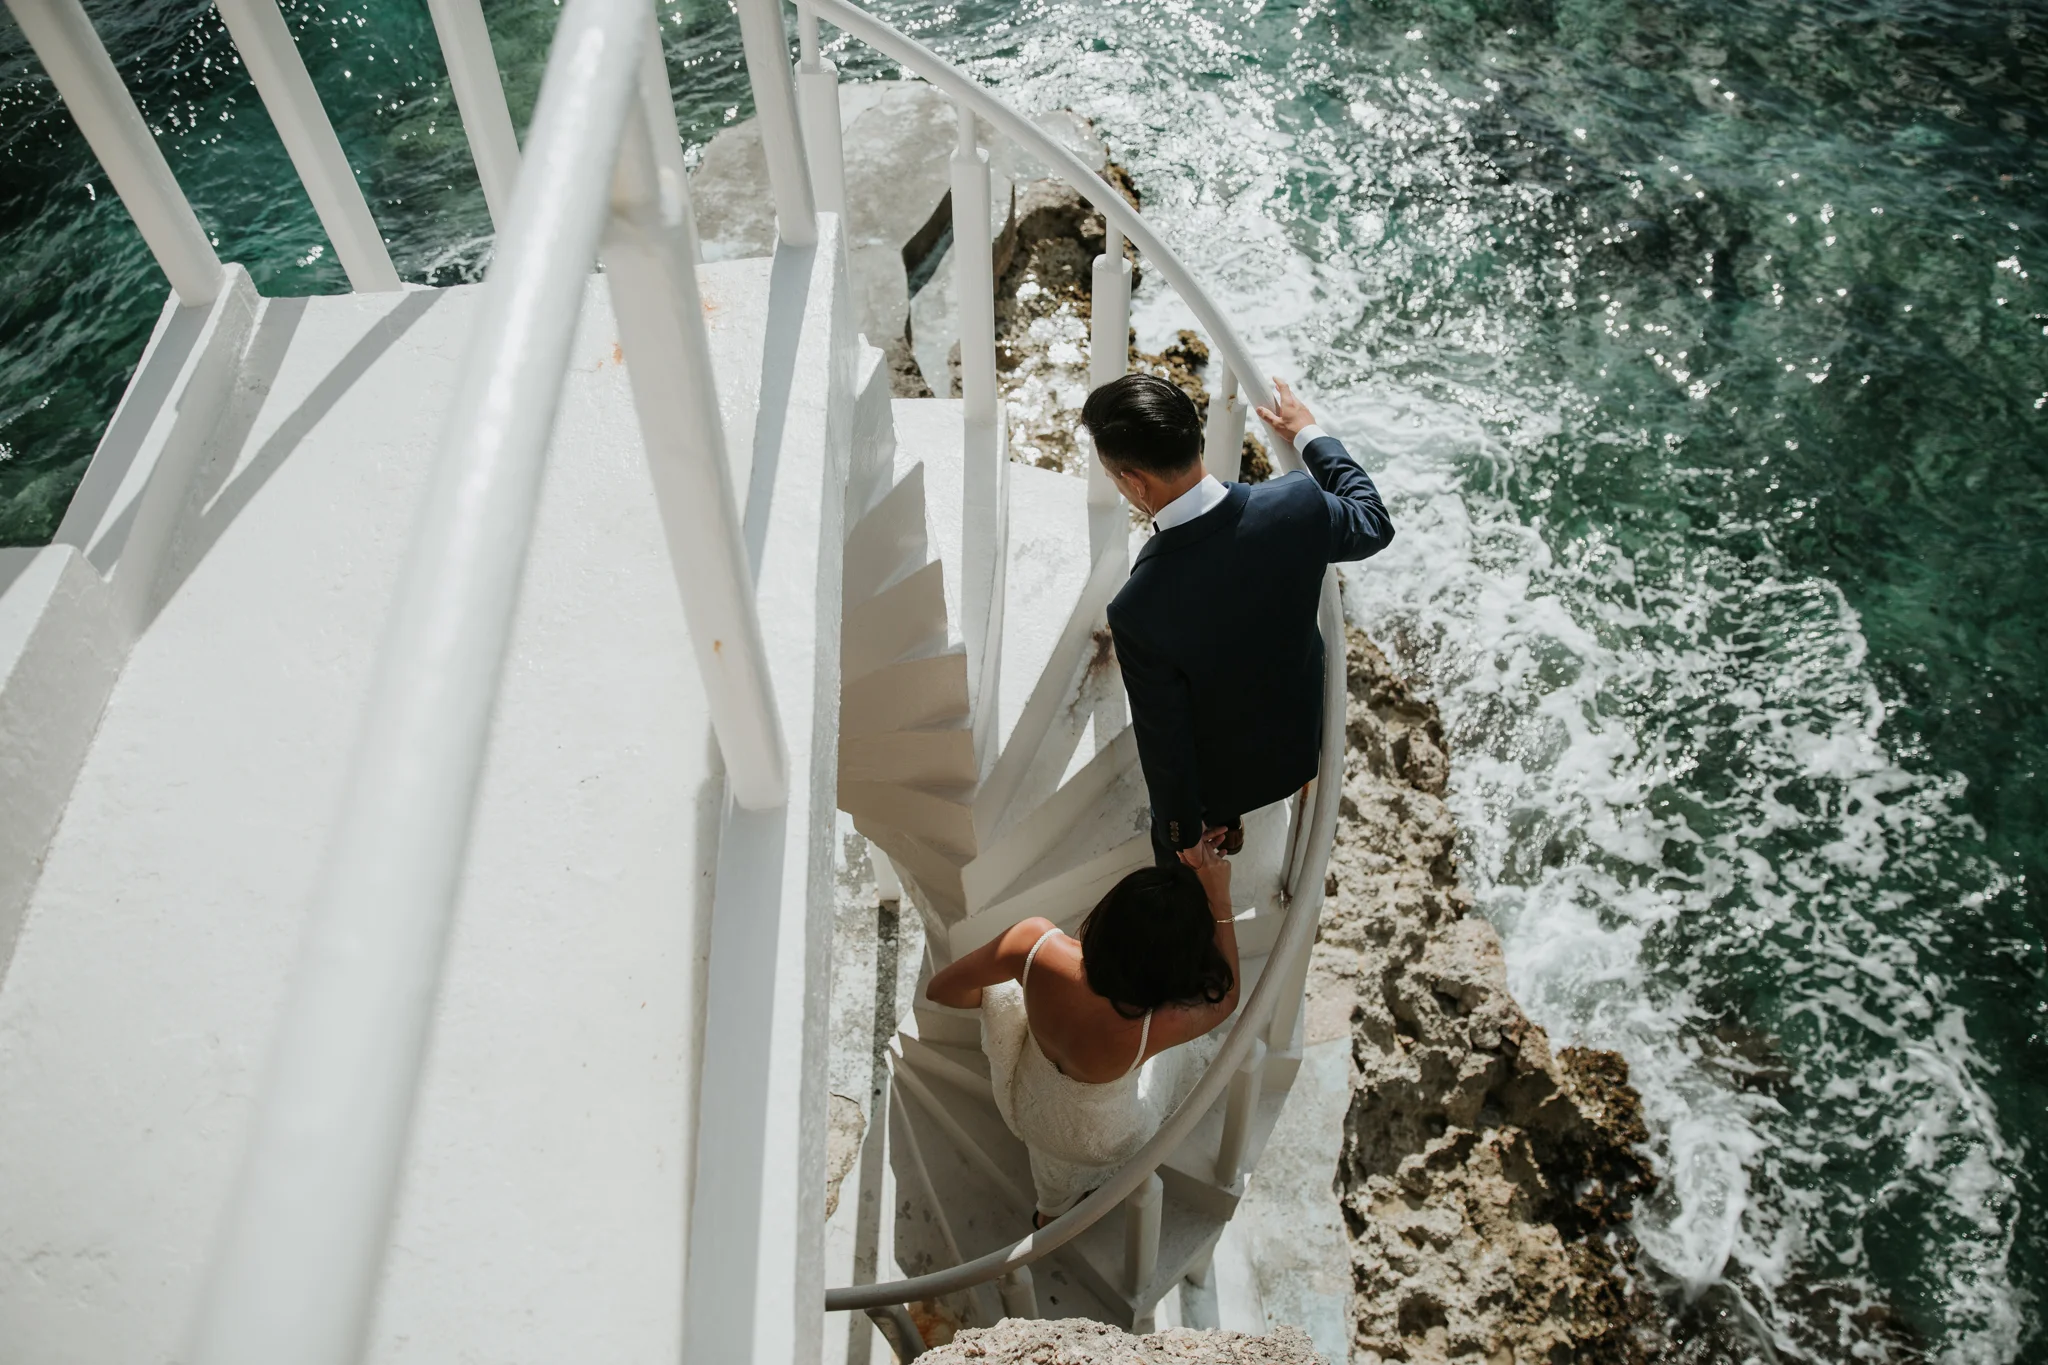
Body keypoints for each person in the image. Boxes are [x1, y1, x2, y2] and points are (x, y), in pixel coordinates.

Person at [1080, 373, 1394, 867]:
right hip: (1298, 744)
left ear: (1135, 483)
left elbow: (1167, 745)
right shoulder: (1296, 505)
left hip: (1223, 782)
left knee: (1176, 846)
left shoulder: (1139, 607)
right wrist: (1308, 434)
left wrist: (1182, 832)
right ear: (1195, 438)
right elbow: (1374, 523)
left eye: (1113, 475)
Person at [925, 842, 1240, 1226]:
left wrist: (1001, 1002)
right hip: (1104, 1138)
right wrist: (1220, 901)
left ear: (1109, 912)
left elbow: (941, 990)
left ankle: (1049, 1213)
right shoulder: (1160, 1023)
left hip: (1032, 1103)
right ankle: (1064, 1203)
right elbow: (1228, 1000)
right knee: (1177, 1059)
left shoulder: (1034, 944)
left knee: (1049, 1157)